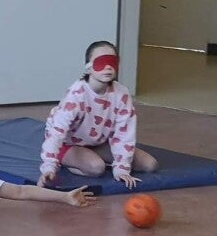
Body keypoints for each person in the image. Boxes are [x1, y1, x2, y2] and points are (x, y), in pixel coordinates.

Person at [39, 40, 160, 190]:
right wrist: (49, 167)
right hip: (69, 143)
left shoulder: (121, 94)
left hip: (98, 143)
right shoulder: (76, 95)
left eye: (112, 62)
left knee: (150, 165)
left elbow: (124, 133)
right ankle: (69, 163)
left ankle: (96, 157)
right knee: (97, 168)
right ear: (89, 67)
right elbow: (56, 133)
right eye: (101, 62)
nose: (108, 67)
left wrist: (122, 168)